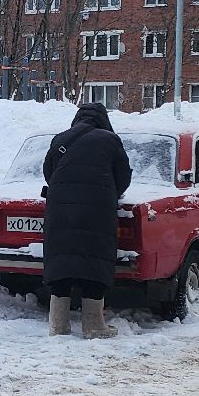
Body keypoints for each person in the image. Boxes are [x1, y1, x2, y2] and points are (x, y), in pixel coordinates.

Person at [41, 102, 132, 338]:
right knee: (95, 260)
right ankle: (93, 326)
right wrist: (111, 191)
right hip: (97, 208)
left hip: (59, 207)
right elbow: (123, 177)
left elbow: (48, 171)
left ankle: (58, 326)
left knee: (61, 262)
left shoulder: (61, 138)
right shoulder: (110, 140)